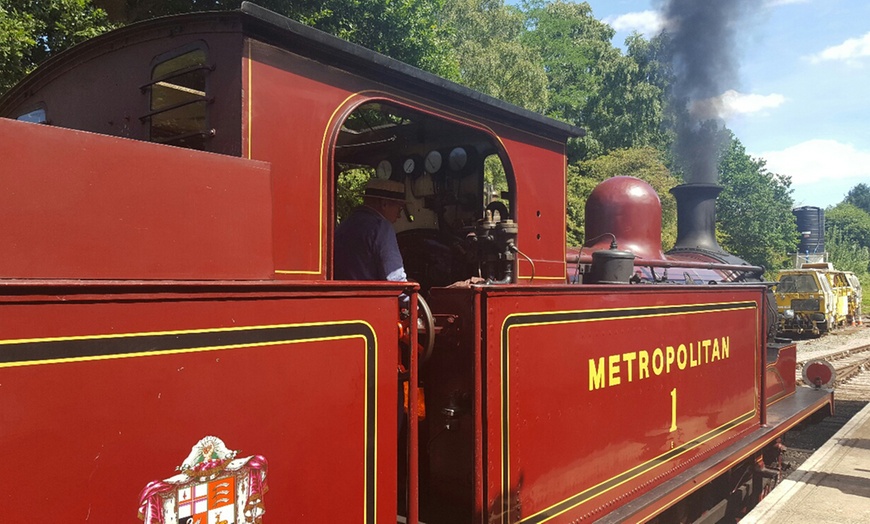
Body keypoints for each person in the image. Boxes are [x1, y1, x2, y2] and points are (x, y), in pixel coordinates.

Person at [334, 178, 408, 282]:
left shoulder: (345, 224)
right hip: (370, 297)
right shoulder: (382, 227)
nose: (399, 215)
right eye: (399, 209)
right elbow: (395, 280)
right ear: (384, 204)